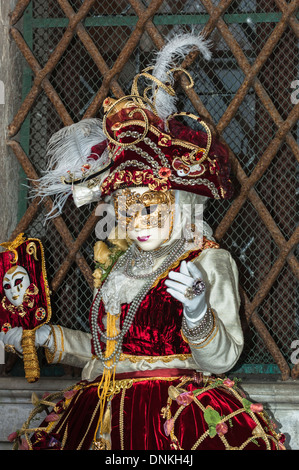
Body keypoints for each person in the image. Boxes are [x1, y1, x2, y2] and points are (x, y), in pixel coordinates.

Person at [2, 33, 285, 451]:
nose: (138, 222)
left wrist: (198, 314)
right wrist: (45, 338)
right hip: (99, 420)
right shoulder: (121, 261)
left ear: (182, 205)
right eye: (128, 211)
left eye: (151, 209)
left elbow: (223, 358)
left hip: (173, 426)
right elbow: (109, 355)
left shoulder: (207, 260)